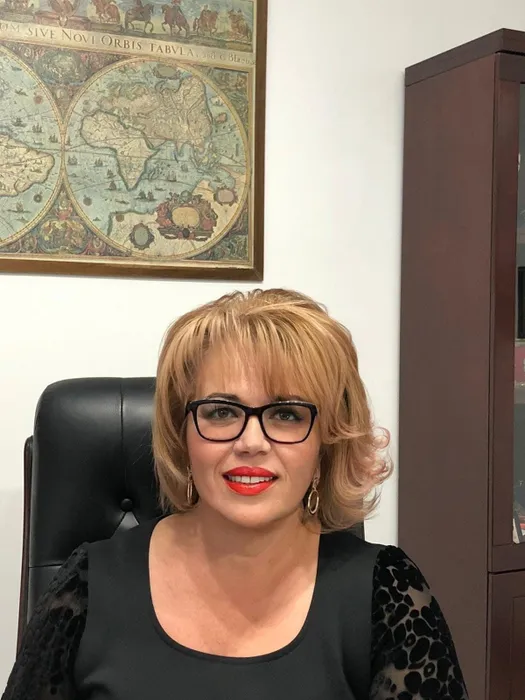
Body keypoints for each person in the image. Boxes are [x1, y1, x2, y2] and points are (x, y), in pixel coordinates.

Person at [1, 289, 469, 700]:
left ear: (327, 441)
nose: (251, 442)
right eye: (222, 412)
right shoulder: (87, 585)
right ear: (183, 433)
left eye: (286, 414)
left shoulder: (388, 596)